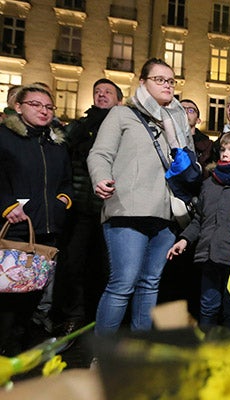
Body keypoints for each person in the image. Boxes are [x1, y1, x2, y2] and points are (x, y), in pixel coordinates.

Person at [87, 58, 194, 336]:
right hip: (128, 209)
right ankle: (104, 356)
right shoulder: (122, 114)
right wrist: (100, 177)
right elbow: (100, 153)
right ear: (143, 82)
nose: (167, 85)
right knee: (123, 283)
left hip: (168, 213)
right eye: (159, 79)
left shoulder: (179, 121)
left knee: (150, 284)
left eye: (171, 81)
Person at [167, 130, 230, 333]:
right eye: (222, 149)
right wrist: (185, 239)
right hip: (210, 257)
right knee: (207, 307)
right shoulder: (210, 183)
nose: (225, 154)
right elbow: (200, 219)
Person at [0, 84, 72, 355]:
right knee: (7, 297)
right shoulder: (5, 137)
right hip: (13, 231)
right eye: (36, 105)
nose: (44, 111)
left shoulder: (56, 143)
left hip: (45, 232)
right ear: (18, 107)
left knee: (33, 295)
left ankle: (17, 352)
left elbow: (67, 181)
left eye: (49, 106)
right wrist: (6, 206)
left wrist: (63, 201)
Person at [52, 78, 123, 338]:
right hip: (81, 207)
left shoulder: (123, 127)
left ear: (119, 100)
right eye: (98, 91)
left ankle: (100, 317)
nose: (102, 95)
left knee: (106, 266)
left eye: (108, 92)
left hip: (111, 208)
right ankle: (75, 315)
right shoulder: (80, 126)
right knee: (74, 263)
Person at [180, 99, 213, 177]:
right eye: (181, 109)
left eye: (191, 110)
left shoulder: (207, 145)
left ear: (198, 120)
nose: (186, 112)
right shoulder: (163, 137)